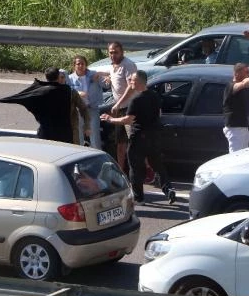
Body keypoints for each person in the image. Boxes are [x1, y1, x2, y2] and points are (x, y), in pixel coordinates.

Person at [101, 70, 176, 206]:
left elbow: (128, 120)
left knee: (135, 167)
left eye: (132, 81)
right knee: (157, 164)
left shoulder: (136, 100)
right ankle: (168, 188)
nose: (130, 83)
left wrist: (111, 119)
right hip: (154, 136)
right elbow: (158, 113)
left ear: (139, 82)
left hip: (139, 137)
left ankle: (139, 197)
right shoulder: (155, 96)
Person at [0, 67, 77, 143]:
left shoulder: (41, 91)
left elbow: (18, 97)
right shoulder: (66, 90)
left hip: (46, 135)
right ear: (58, 77)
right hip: (65, 135)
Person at [101, 42, 138, 172]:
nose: (113, 55)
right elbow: (115, 78)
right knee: (120, 142)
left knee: (134, 142)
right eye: (111, 52)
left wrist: (117, 103)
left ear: (122, 52)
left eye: (116, 52)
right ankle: (120, 171)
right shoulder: (113, 65)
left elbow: (131, 87)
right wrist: (108, 77)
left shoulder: (128, 65)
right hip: (120, 109)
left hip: (129, 107)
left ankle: (142, 170)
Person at [222, 63, 249, 153]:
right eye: (246, 72)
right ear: (236, 73)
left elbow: (245, 84)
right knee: (236, 157)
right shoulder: (231, 87)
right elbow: (242, 83)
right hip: (235, 129)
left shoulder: (241, 90)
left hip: (241, 128)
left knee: (243, 156)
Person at [67, 55, 109, 149]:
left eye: (83, 63)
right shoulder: (69, 78)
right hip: (78, 111)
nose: (81, 66)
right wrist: (77, 93)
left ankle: (96, 158)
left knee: (94, 137)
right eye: (78, 64)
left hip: (92, 109)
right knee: (79, 138)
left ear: (86, 65)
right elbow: (66, 91)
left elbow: (106, 85)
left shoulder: (93, 74)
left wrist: (107, 78)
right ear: (74, 66)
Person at [58, 68, 91, 144]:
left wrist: (87, 126)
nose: (60, 80)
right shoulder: (49, 92)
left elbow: (84, 109)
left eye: (62, 77)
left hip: (72, 130)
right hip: (56, 130)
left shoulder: (72, 93)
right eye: (58, 77)